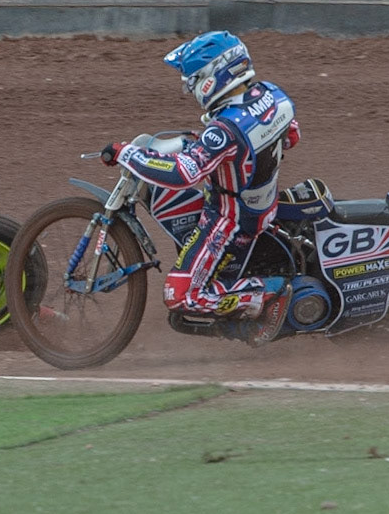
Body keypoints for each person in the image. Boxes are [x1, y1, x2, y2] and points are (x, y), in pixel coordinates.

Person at [100, 30, 300, 346]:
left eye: (192, 79)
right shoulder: (274, 95)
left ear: (212, 77)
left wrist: (128, 153)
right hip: (263, 201)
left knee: (178, 295)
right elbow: (291, 136)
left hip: (229, 219)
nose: (189, 87)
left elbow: (183, 173)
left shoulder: (226, 129)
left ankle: (264, 296)